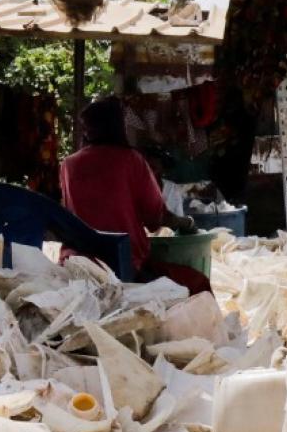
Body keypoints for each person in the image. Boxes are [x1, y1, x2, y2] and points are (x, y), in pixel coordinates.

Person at [60, 97, 207, 294]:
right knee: (198, 283)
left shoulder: (68, 165)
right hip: (122, 264)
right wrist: (187, 223)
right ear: (118, 126)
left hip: (75, 261)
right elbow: (156, 217)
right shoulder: (131, 160)